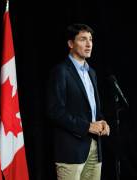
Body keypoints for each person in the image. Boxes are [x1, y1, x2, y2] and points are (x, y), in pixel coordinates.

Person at [46, 23, 110, 180]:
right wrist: (87, 126)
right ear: (70, 43)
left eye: (90, 39)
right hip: (71, 151)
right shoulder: (60, 71)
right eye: (83, 39)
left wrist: (102, 122)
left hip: (95, 148)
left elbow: (93, 109)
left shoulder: (92, 73)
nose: (89, 44)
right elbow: (55, 111)